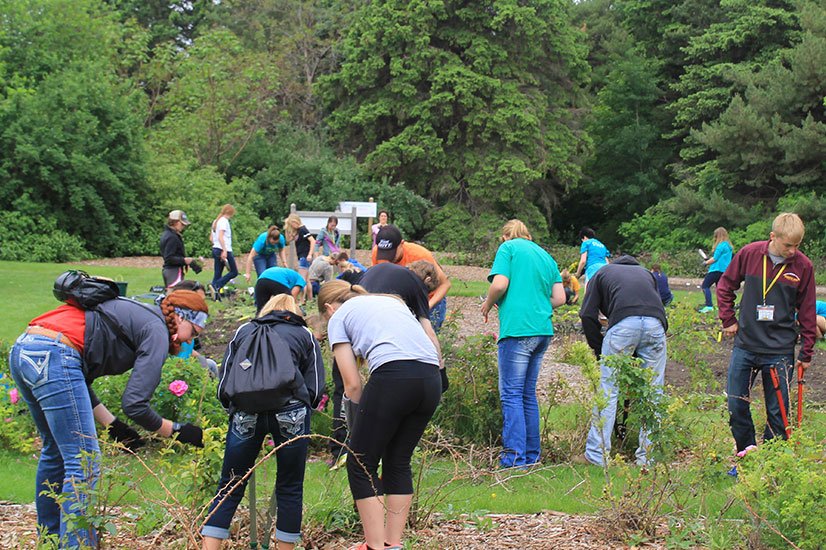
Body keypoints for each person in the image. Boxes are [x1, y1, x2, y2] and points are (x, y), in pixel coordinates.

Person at [9, 289, 209, 547]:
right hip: (56, 353)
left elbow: (77, 381)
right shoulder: (157, 330)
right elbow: (135, 404)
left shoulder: (140, 311)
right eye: (194, 333)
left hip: (26, 347)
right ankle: (76, 546)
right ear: (180, 318)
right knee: (84, 462)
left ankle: (48, 540)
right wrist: (178, 430)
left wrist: (113, 425)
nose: (193, 341)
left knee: (56, 451)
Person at [318, 281, 442, 550]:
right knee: (397, 461)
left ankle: (374, 546)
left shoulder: (338, 318)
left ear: (328, 308)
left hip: (394, 377)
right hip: (430, 378)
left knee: (361, 463)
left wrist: (358, 421)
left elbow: (351, 385)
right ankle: (391, 544)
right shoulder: (389, 302)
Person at [202, 294, 325, 550]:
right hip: (290, 412)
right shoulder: (303, 334)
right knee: (290, 486)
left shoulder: (245, 330)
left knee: (230, 484)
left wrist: (233, 409)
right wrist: (303, 408)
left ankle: (209, 546)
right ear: (293, 310)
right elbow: (314, 389)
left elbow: (225, 380)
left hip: (246, 411)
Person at [717, 213, 815, 467]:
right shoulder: (749, 255)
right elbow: (725, 286)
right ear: (773, 237)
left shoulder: (803, 266)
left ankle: (771, 466)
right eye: (787, 245)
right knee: (736, 405)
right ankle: (747, 458)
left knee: (778, 413)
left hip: (780, 350)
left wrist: (806, 353)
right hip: (746, 346)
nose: (793, 251)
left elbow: (807, 311)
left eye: (797, 245)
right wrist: (728, 319)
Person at [325, 262, 445, 468]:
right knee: (397, 461)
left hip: (383, 359)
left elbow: (352, 386)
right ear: (427, 284)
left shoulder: (372, 276)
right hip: (417, 371)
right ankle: (362, 448)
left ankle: (341, 448)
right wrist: (441, 375)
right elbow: (430, 334)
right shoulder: (414, 288)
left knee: (345, 389)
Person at [481, 220, 565, 468]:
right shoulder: (545, 255)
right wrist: (536, 305)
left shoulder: (508, 249)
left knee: (511, 395)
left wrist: (487, 304)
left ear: (505, 236)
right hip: (542, 330)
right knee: (528, 394)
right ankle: (531, 456)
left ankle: (514, 459)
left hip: (517, 329)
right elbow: (559, 298)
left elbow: (499, 284)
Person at [576, 255, 668, 467]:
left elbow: (587, 315)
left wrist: (599, 350)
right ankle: (648, 458)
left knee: (608, 391)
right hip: (656, 326)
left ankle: (596, 455)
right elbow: (654, 308)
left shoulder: (603, 273)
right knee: (653, 392)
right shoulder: (647, 274)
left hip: (623, 326)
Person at [371, 225, 451, 332]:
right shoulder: (377, 253)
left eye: (391, 254)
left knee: (427, 338)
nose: (387, 259)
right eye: (384, 253)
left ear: (401, 244)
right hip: (403, 301)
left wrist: (426, 307)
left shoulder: (419, 254)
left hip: (429, 300)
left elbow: (445, 284)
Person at [699, 227, 733, 313]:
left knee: (705, 286)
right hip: (724, 270)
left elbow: (715, 258)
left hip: (716, 270)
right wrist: (708, 260)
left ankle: (709, 306)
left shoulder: (720, 246)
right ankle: (721, 306)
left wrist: (705, 263)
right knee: (720, 289)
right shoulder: (729, 246)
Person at [284, 214, 316, 302]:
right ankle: (310, 299)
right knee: (307, 280)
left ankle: (302, 300)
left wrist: (310, 254)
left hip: (305, 256)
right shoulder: (297, 231)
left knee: (301, 279)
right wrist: (288, 228)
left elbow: (313, 241)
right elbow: (288, 239)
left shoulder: (303, 229)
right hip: (301, 256)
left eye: (293, 223)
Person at [160, 210, 195, 288]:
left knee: (172, 296)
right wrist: (184, 260)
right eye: (182, 224)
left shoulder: (167, 234)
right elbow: (169, 258)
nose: (183, 226)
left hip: (170, 270)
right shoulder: (172, 237)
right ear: (175, 222)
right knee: (176, 296)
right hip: (173, 271)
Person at [210, 204, 239, 299]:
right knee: (234, 271)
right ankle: (217, 286)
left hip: (216, 248)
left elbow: (211, 238)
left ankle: (215, 295)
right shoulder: (224, 221)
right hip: (223, 249)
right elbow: (220, 236)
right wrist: (224, 250)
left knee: (218, 273)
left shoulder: (216, 221)